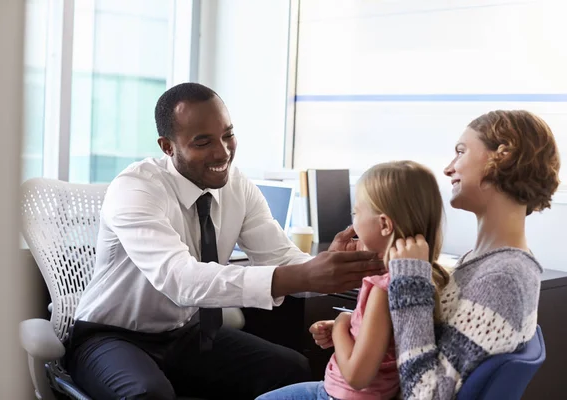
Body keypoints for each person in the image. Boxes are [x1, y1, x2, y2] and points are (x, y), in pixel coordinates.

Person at [63, 82, 384, 400]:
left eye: (228, 135)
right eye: (203, 142)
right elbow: (181, 280)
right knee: (148, 395)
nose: (223, 151)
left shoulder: (237, 187)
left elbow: (281, 259)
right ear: (167, 146)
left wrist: (324, 266)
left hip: (186, 334)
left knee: (290, 368)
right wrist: (303, 274)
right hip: (111, 337)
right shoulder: (136, 189)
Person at [307, 110, 560, 400]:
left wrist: (410, 283)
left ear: (502, 157)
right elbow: (434, 343)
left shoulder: (501, 278)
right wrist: (359, 329)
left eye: (461, 152)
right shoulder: (485, 263)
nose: (449, 168)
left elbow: (426, 394)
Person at [256, 161, 447, 400]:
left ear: (385, 224)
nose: (352, 222)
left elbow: (357, 376)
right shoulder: (418, 279)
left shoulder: (382, 289)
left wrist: (341, 324)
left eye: (356, 213)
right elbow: (384, 345)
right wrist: (347, 329)